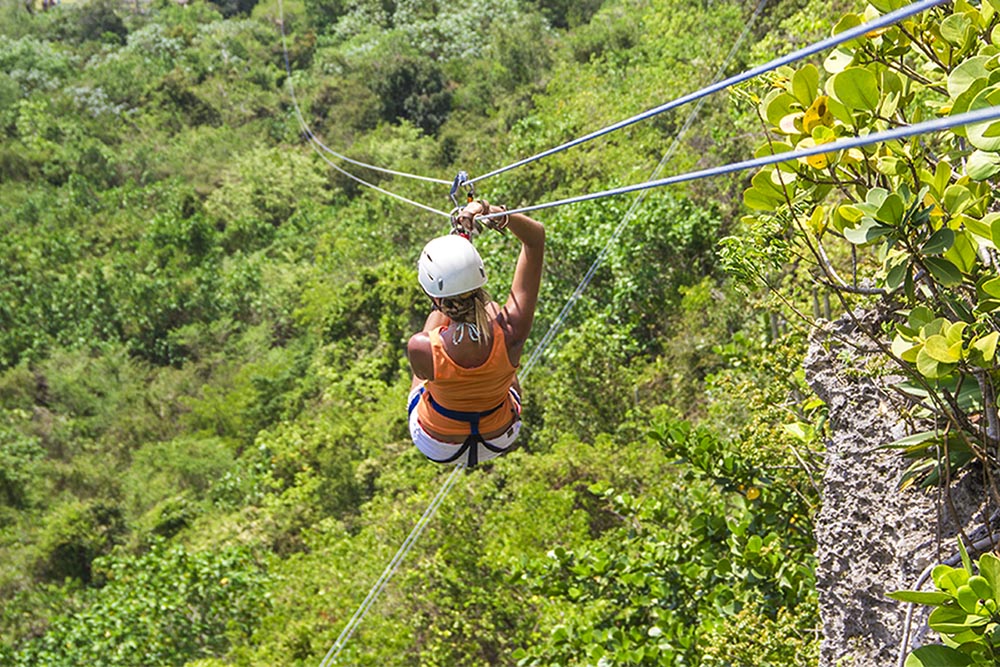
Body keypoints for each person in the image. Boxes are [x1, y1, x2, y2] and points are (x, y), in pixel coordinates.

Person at [406, 199, 545, 467]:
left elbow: (440, 325)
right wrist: (498, 214)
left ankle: (453, 293)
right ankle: (497, 371)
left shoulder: (421, 346)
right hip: (500, 435)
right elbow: (535, 238)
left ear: (432, 296)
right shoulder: (510, 328)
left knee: (426, 377)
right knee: (493, 318)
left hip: (438, 442)